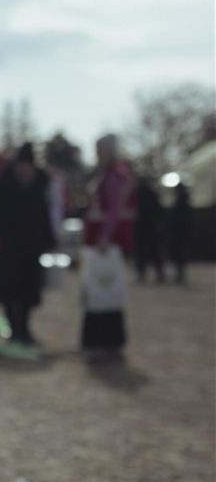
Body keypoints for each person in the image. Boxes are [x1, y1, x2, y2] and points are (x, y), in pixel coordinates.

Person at [0, 142, 54, 346]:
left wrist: (49, 238)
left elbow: (44, 214)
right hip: (7, 246)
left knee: (28, 290)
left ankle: (24, 328)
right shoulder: (3, 184)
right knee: (9, 290)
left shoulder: (40, 184)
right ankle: (13, 329)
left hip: (31, 245)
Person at [81, 134, 134, 353]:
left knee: (103, 289)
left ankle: (104, 340)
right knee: (102, 290)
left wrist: (104, 237)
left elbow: (113, 209)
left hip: (106, 242)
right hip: (102, 240)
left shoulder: (113, 176)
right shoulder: (107, 174)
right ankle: (106, 340)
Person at [133, 176, 166, 283]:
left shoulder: (136, 194)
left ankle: (143, 273)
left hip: (143, 227)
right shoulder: (151, 193)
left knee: (143, 252)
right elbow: (160, 211)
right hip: (150, 227)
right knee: (152, 251)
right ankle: (157, 273)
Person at [168, 181, 192, 284]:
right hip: (181, 232)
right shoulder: (183, 201)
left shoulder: (181, 202)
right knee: (180, 254)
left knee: (179, 254)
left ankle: (180, 274)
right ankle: (180, 274)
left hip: (179, 232)